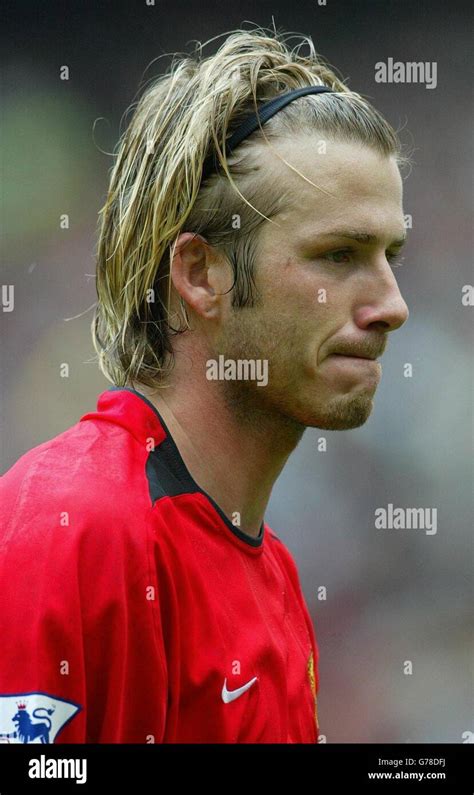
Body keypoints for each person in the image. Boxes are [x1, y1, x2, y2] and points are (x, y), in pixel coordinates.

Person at [0, 26, 409, 743]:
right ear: (199, 275)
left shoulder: (276, 575)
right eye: (338, 254)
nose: (392, 304)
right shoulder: (71, 528)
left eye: (390, 255)